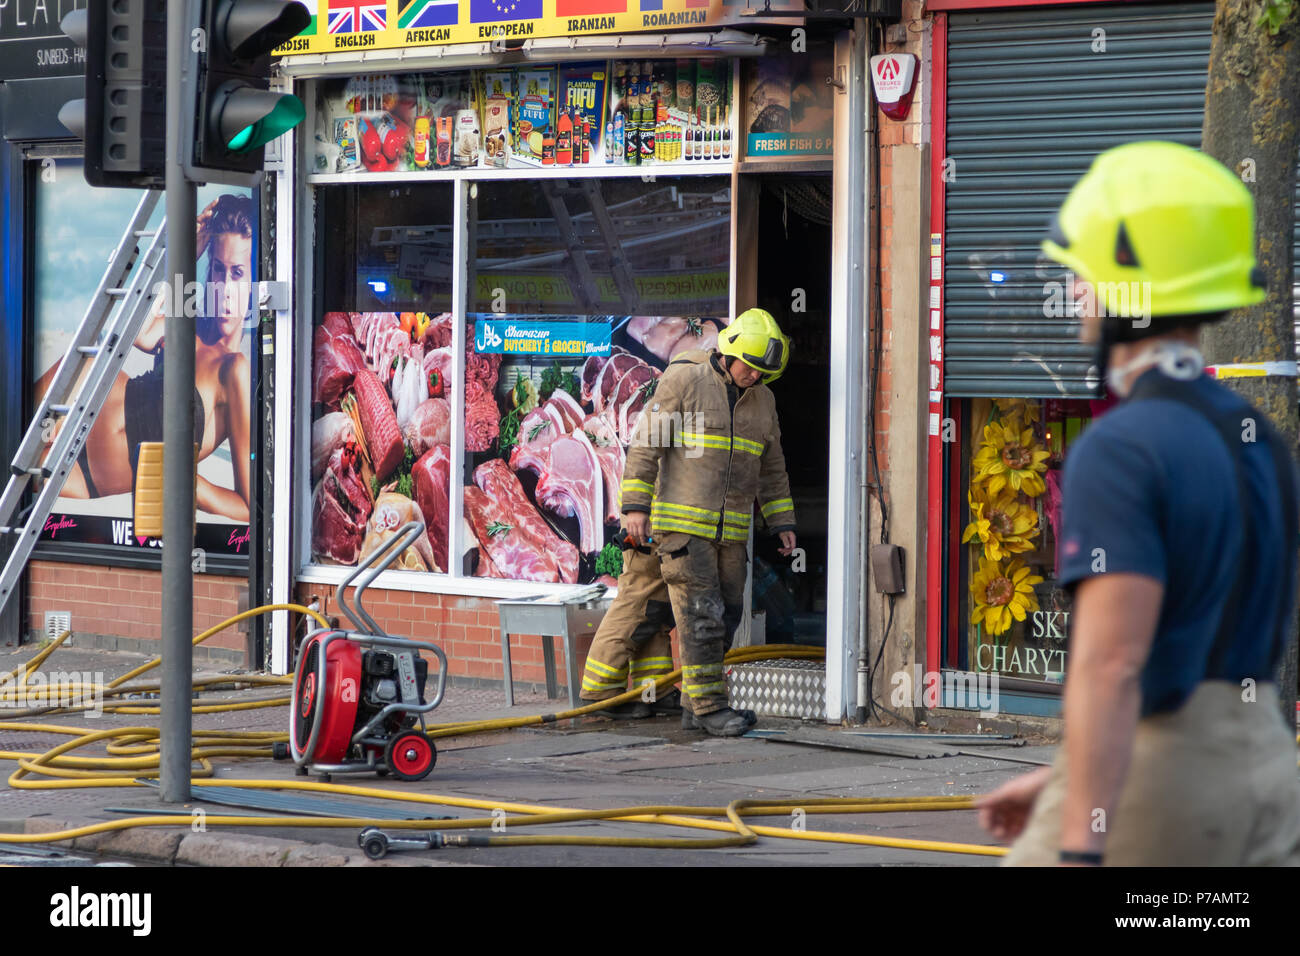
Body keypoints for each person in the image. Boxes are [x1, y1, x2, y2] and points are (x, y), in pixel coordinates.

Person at [977, 141, 1300, 866]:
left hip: (1165, 789)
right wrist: (1062, 777)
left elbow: (1113, 665)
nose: (1078, 296)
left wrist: (1081, 839)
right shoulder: (1257, 438)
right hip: (1270, 776)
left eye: (1085, 275)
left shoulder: (1120, 447)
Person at [621, 308, 797, 737]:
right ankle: (710, 707)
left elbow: (772, 468)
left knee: (729, 614)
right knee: (702, 614)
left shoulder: (764, 401)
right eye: (750, 367)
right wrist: (635, 507)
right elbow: (647, 444)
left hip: (731, 532)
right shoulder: (685, 380)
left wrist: (782, 521)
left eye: (762, 372)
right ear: (729, 351)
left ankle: (693, 702)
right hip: (683, 528)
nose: (754, 377)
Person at [38, 194, 254, 523]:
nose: (224, 287)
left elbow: (249, 505)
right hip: (68, 402)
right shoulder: (188, 324)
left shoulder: (234, 371)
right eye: (216, 269)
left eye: (237, 273)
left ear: (255, 281)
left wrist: (192, 486)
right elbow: (134, 334)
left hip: (83, 481)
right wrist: (187, 253)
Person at [577, 536, 681, 720]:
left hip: (657, 525)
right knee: (636, 604)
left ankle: (653, 691)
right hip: (645, 526)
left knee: (654, 610)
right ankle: (599, 693)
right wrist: (636, 509)